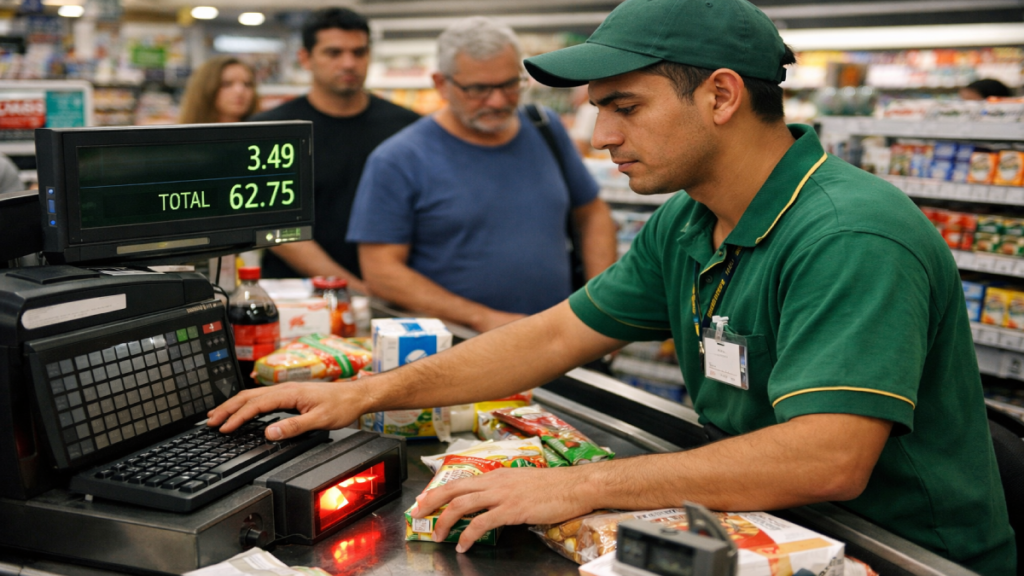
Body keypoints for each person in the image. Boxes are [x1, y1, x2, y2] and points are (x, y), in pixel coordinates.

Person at [207, 0, 1015, 572]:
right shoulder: (692, 220)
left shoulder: (846, 234)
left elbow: (828, 457)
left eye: (624, 106)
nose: (601, 137)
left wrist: (575, 484)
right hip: (773, 528)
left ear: (722, 94)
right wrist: (369, 391)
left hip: (899, 551)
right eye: (597, 110)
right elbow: (557, 335)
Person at [346, 18, 617, 332]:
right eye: (478, 89)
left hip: (562, 337)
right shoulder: (398, 159)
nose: (498, 101)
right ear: (441, 84)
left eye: (509, 84)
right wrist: (481, 318)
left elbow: (592, 212)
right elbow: (381, 272)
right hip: (461, 348)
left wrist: (601, 304)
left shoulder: (545, 128)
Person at [251, 8, 419, 292]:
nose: (349, 63)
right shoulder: (272, 130)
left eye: (359, 52)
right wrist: (353, 289)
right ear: (305, 58)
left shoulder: (407, 127)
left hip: (395, 296)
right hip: (297, 296)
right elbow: (274, 228)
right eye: (334, 53)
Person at [179, 56, 259, 124]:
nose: (240, 91)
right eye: (227, 84)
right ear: (205, 88)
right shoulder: (182, 137)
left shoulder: (265, 136)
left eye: (247, 84)